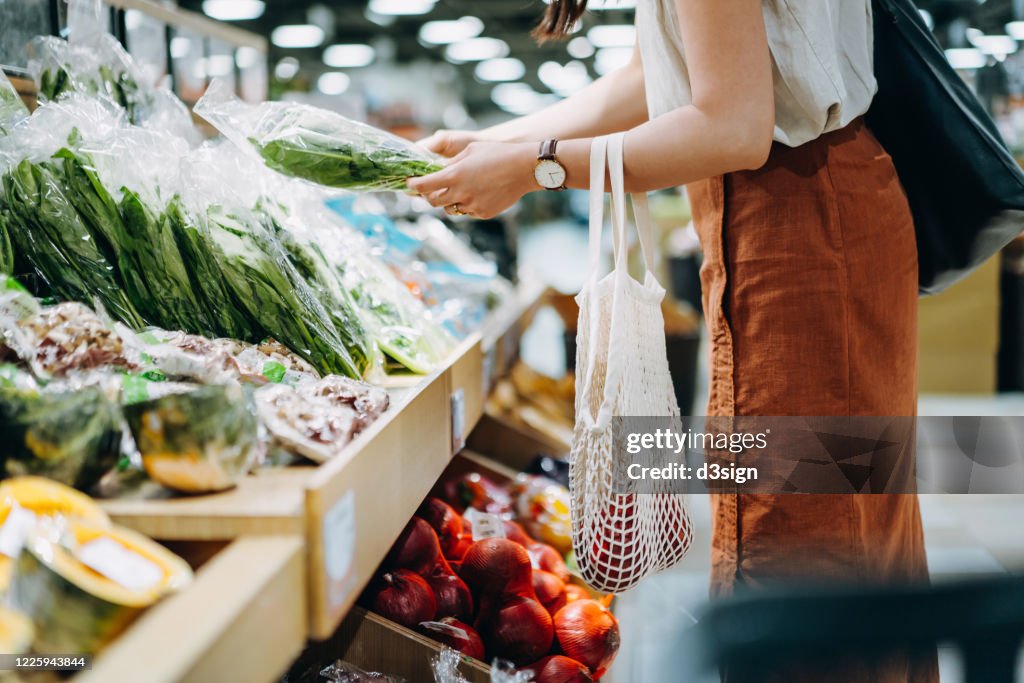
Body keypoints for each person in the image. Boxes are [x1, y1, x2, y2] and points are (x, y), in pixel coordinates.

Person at [409, 2, 936, 681]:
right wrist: (493, 144)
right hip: (808, 210)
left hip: (797, 224)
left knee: (805, 549)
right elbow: (648, 79)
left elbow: (733, 127)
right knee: (846, 533)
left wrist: (534, 167)